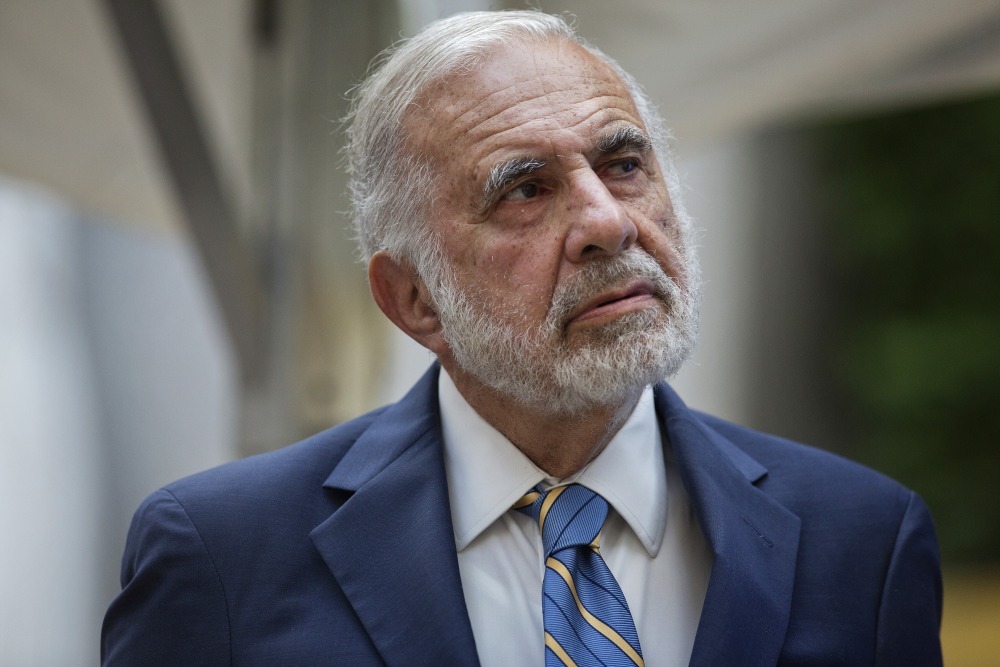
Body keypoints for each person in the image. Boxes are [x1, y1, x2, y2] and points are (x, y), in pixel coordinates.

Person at [102, 10, 942, 666]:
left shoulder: (861, 540)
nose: (608, 224)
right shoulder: (223, 556)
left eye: (624, 164)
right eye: (526, 190)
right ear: (412, 298)